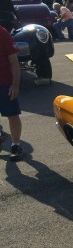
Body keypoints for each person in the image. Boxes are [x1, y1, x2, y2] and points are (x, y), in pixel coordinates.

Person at [0, 25, 24, 161]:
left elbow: (14, 61)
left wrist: (15, 85)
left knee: (12, 115)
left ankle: (16, 145)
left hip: (4, 83)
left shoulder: (2, 33)